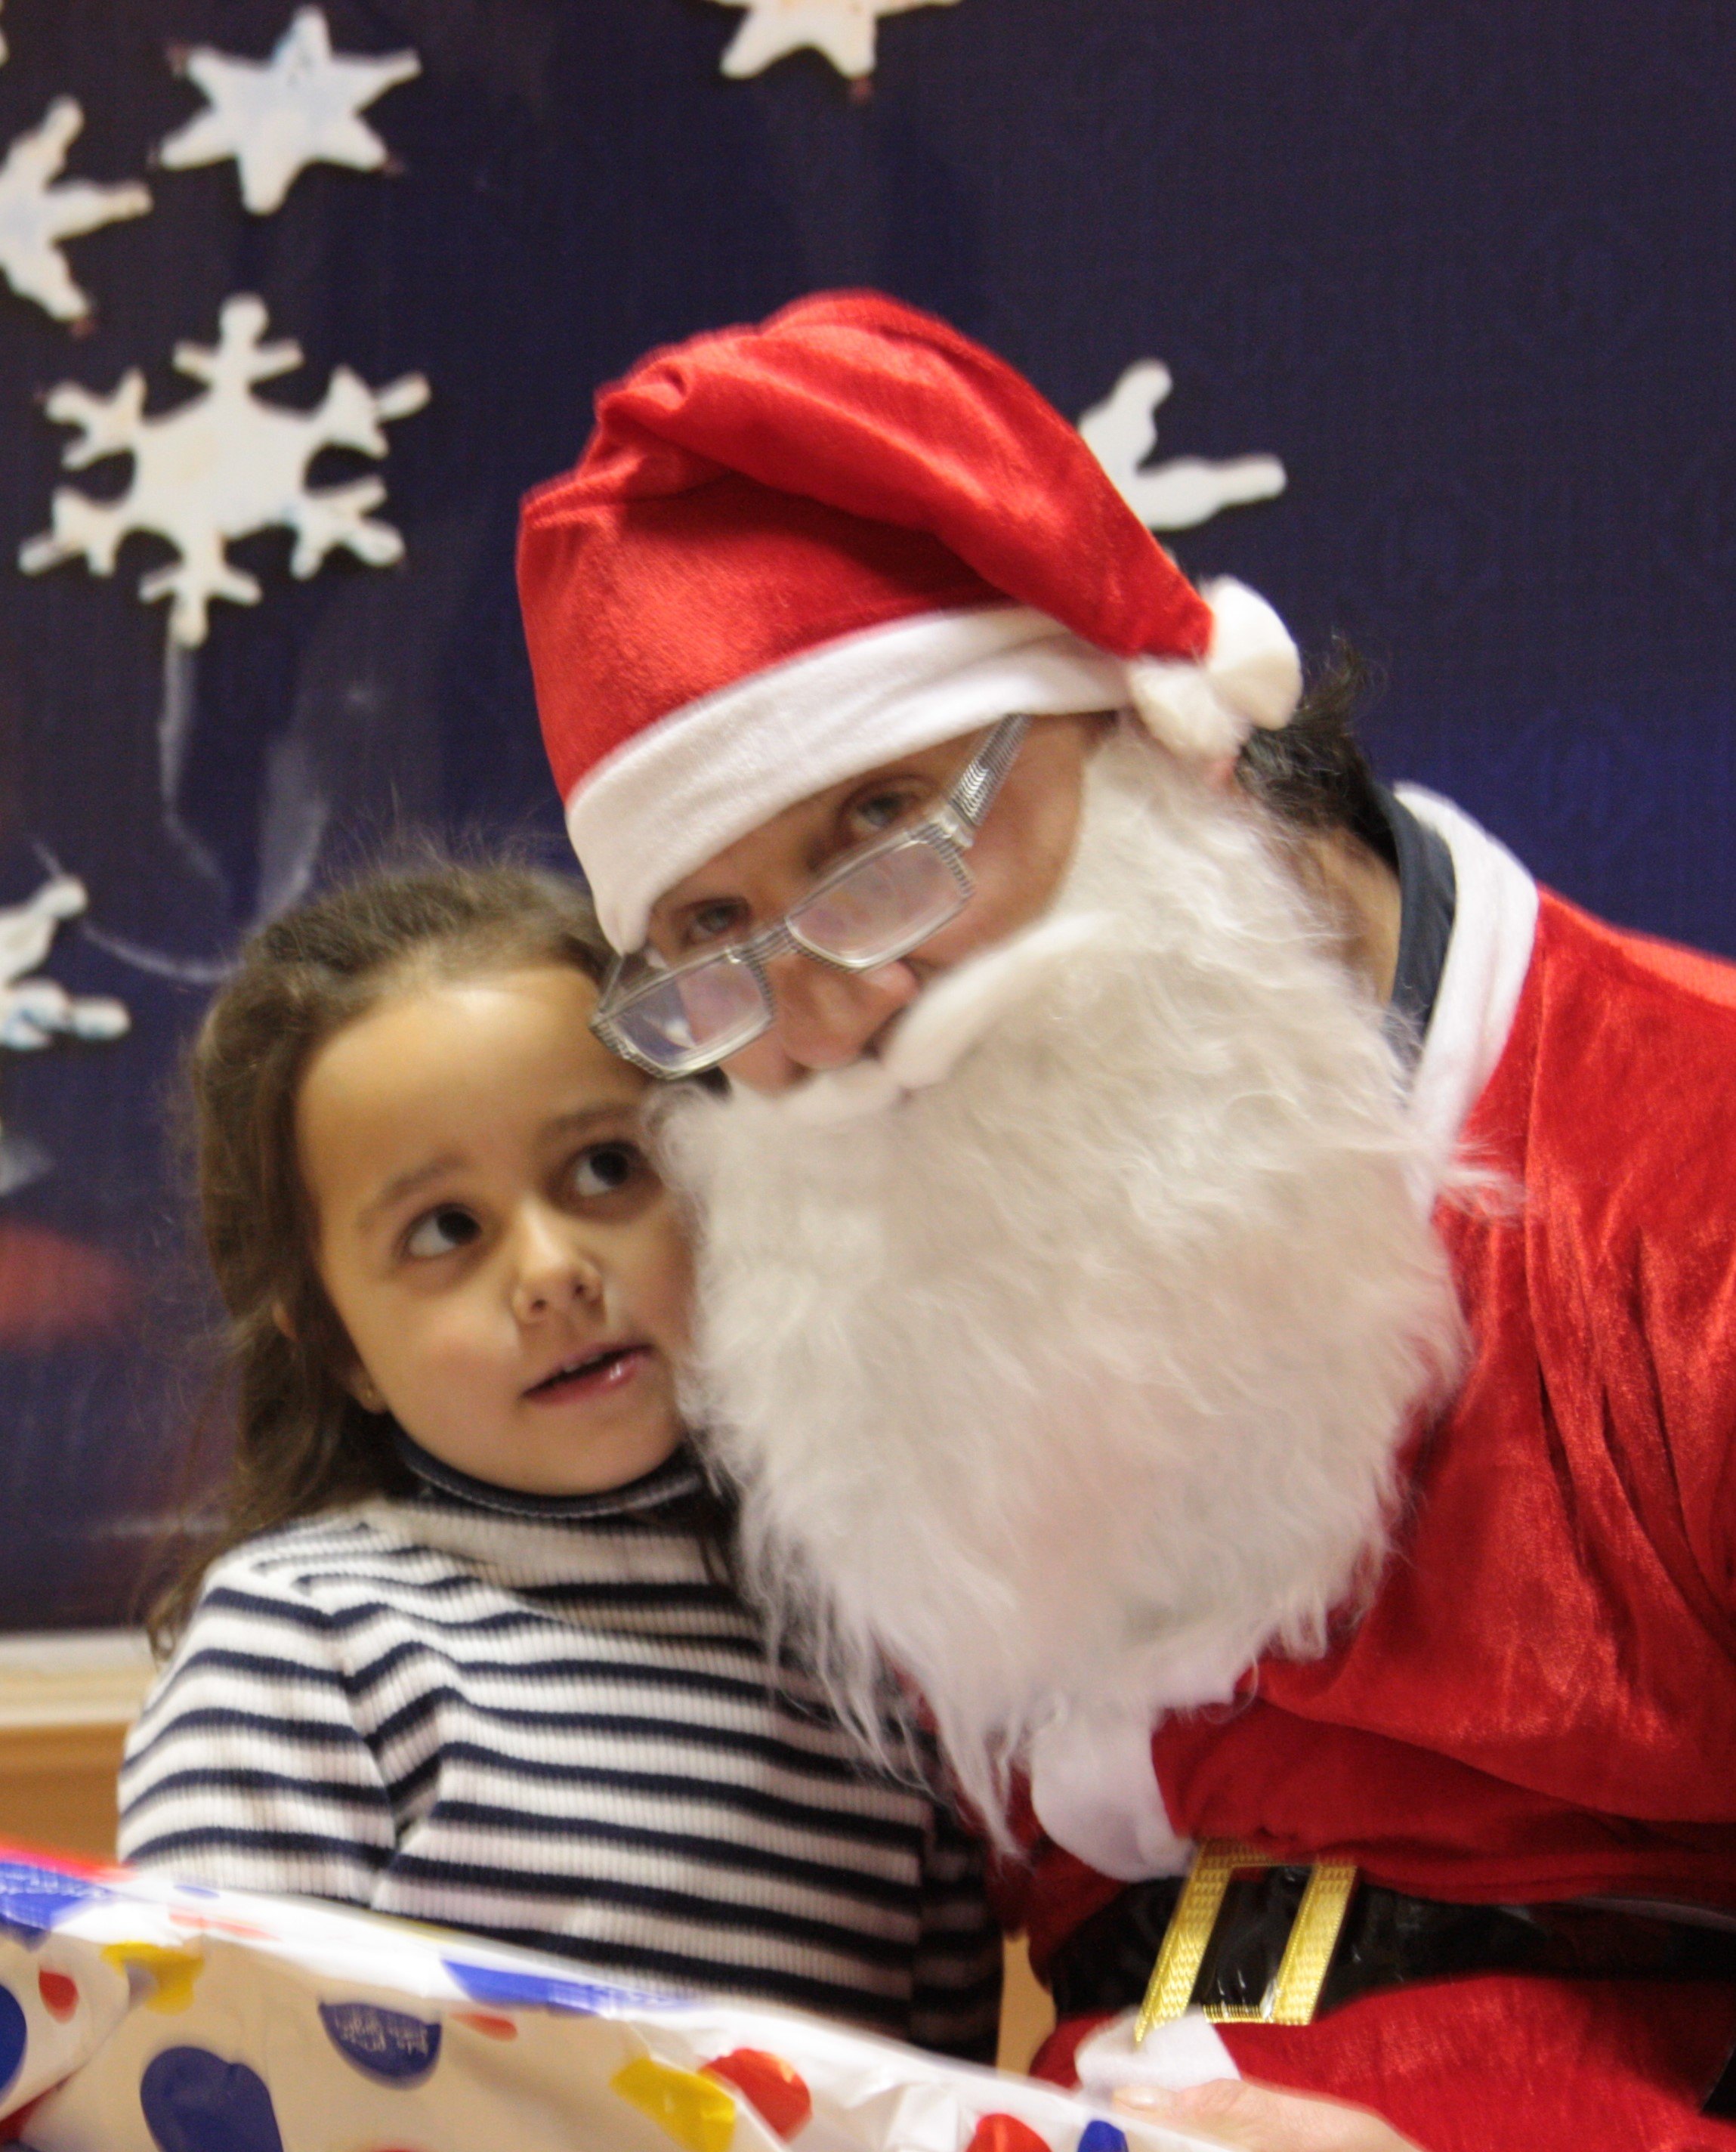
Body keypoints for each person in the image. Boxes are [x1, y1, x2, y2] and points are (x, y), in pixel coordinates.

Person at [514, 291, 1736, 2151]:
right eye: (712, 935)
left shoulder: (1682, 1161)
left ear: (1167, 735)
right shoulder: (828, 1298)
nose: (835, 1012)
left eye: (881, 826)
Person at [119, 859, 1001, 2058]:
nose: (549, 1271)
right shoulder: (302, 1644)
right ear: (338, 1349)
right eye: (445, 1230)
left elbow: (936, 2107)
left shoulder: (873, 1662)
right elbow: (212, 2080)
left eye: (606, 1168)